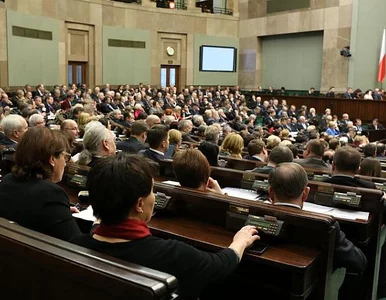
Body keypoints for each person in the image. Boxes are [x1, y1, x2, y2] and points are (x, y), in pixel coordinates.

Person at [70, 153, 260, 299]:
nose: (154, 197)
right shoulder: (172, 254)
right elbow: (218, 265)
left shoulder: (74, 245)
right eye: (152, 191)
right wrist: (240, 242)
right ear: (139, 204)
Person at [268, 162, 367, 273]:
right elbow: (359, 262)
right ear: (305, 193)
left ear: (271, 193)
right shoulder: (326, 225)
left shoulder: (254, 214)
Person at [0, 127, 81, 241]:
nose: (65, 163)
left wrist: (60, 211)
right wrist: (96, 225)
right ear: (52, 159)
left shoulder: (8, 180)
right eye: (65, 156)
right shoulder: (51, 193)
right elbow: (74, 242)